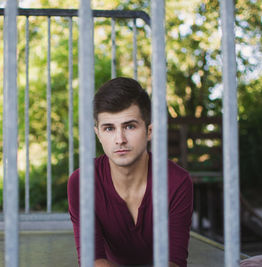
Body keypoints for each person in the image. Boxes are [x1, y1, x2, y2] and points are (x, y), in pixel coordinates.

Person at [67, 77, 193, 267]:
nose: (120, 139)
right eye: (109, 128)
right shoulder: (82, 182)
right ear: (98, 134)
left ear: (149, 131)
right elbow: (92, 260)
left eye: (130, 126)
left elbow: (174, 261)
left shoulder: (177, 182)